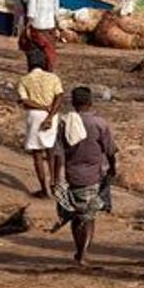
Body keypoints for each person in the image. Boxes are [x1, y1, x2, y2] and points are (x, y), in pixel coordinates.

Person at [55, 86, 117, 266]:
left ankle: (79, 250)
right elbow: (110, 150)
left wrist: (56, 178)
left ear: (73, 103)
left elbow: (58, 153)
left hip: (72, 175)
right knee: (89, 216)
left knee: (77, 215)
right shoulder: (99, 123)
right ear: (90, 103)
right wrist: (113, 168)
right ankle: (83, 254)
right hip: (94, 175)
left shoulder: (65, 123)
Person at [17, 48, 64, 197]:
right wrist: (50, 115)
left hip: (35, 116)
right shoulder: (53, 78)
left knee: (37, 154)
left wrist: (41, 107)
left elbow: (25, 101)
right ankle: (54, 184)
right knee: (51, 150)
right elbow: (59, 97)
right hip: (52, 114)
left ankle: (44, 189)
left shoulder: (25, 80)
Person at [25, 0, 59, 71]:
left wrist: (27, 27)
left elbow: (31, 13)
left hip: (37, 27)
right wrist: (57, 28)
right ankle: (48, 71)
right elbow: (56, 13)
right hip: (49, 27)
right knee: (49, 52)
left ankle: (35, 70)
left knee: (34, 52)